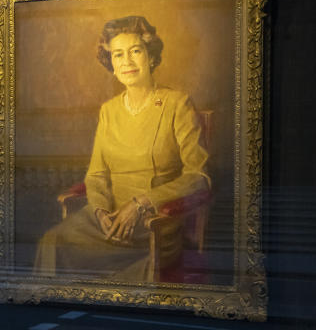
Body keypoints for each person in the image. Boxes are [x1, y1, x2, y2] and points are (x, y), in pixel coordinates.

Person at [33, 15, 210, 280]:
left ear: (150, 57)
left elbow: (199, 177)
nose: (126, 61)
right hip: (107, 220)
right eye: (117, 55)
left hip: (156, 221)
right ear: (111, 64)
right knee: (52, 242)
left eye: (135, 51)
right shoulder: (109, 110)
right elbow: (96, 175)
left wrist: (141, 204)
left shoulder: (177, 104)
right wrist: (101, 211)